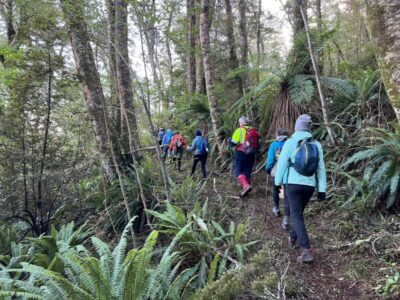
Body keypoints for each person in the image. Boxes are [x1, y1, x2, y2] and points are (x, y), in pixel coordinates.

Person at [275, 114, 327, 263]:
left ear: (297, 127)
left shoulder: (291, 142)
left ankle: (306, 249)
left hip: (293, 184)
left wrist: (277, 182)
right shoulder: (317, 145)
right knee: (298, 213)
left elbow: (282, 165)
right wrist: (322, 189)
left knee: (296, 215)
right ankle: (293, 236)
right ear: (309, 129)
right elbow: (321, 169)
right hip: (309, 186)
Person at [229, 117, 260, 197]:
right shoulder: (255, 131)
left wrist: (229, 141)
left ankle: (246, 185)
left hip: (241, 153)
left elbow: (233, 143)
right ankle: (246, 190)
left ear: (241, 123)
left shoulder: (239, 130)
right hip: (252, 154)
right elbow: (258, 144)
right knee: (247, 171)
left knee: (238, 171)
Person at [266, 129, 289, 230]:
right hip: (288, 172)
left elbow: (271, 159)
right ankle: (286, 218)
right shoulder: (291, 143)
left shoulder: (274, 145)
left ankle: (276, 208)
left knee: (275, 189)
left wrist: (268, 168)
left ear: (277, 135)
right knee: (288, 193)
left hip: (276, 171)